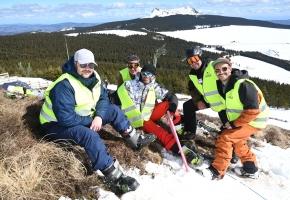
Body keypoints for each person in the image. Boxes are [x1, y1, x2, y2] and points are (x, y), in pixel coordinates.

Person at [39, 49, 156, 195]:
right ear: (75, 63)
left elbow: (103, 98)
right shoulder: (64, 85)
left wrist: (99, 116)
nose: (88, 68)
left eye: (91, 65)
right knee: (90, 135)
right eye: (83, 64)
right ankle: (113, 176)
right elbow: (66, 119)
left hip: (81, 117)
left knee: (113, 110)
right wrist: (91, 120)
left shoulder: (94, 77)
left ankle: (134, 140)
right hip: (54, 125)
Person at [117, 63, 203, 168]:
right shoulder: (129, 85)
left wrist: (172, 109)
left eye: (149, 74)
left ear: (153, 76)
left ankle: (180, 131)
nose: (146, 75)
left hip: (149, 114)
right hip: (140, 120)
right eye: (144, 73)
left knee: (169, 104)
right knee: (162, 134)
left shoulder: (154, 86)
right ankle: (184, 152)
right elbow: (116, 97)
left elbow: (172, 96)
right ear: (141, 73)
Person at [200, 57, 270, 180]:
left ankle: (216, 171)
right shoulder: (225, 85)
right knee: (238, 141)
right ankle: (251, 169)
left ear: (230, 68)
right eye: (217, 70)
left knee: (225, 138)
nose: (221, 72)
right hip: (247, 119)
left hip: (255, 120)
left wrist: (233, 124)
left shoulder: (242, 85)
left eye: (224, 69)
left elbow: (252, 111)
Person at [182, 46, 239, 164]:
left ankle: (234, 153)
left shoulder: (213, 66)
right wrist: (198, 101)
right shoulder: (193, 74)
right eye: (190, 61)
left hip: (223, 103)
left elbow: (232, 73)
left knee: (228, 127)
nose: (193, 63)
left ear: (201, 57)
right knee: (187, 107)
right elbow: (192, 90)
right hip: (208, 99)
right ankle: (190, 133)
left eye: (195, 59)